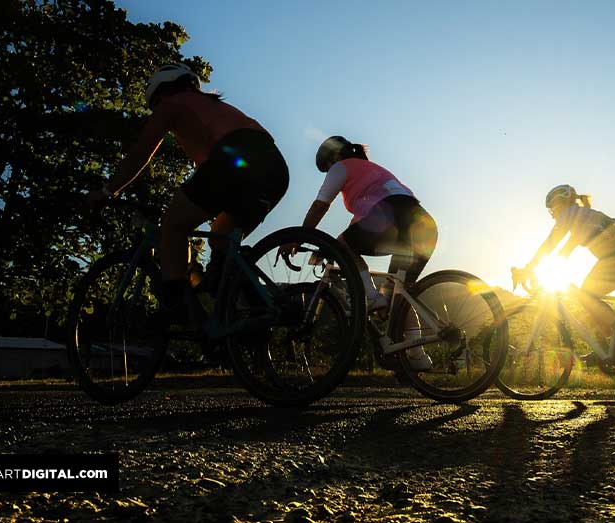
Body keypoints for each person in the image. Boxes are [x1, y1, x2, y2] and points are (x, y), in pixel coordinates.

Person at [87, 63, 289, 323]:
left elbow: (141, 153)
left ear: (160, 91)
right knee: (220, 239)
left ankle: (181, 306)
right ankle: (259, 308)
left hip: (235, 158)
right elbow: (205, 175)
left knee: (173, 224)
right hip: (274, 168)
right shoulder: (213, 108)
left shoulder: (171, 104)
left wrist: (108, 190)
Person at [280, 135, 437, 370]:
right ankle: (418, 356)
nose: (329, 173)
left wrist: (299, 238)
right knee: (397, 293)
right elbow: (357, 229)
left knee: (343, 248)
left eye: (327, 168)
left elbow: (320, 205)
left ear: (334, 157)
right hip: (424, 226)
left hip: (389, 216)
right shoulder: (372, 171)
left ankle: (371, 297)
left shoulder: (341, 166)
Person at [513, 184, 615, 357]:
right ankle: (606, 349)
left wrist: (528, 269)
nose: (553, 213)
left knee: (586, 294)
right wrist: (546, 268)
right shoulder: (582, 216)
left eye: (553, 208)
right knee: (588, 300)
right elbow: (565, 250)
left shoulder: (569, 214)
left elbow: (550, 244)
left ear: (561, 203)